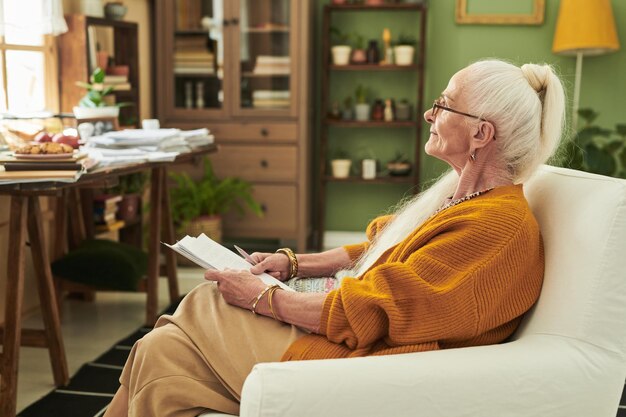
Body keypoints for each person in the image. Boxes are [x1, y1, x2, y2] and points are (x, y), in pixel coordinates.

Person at [104, 59, 566, 416]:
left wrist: (262, 298)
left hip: (370, 365)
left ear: (481, 133)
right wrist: (293, 264)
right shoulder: (465, 199)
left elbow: (375, 309)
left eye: (444, 105)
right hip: (360, 343)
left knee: (205, 304)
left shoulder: (499, 228)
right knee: (160, 354)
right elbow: (381, 249)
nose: (430, 112)